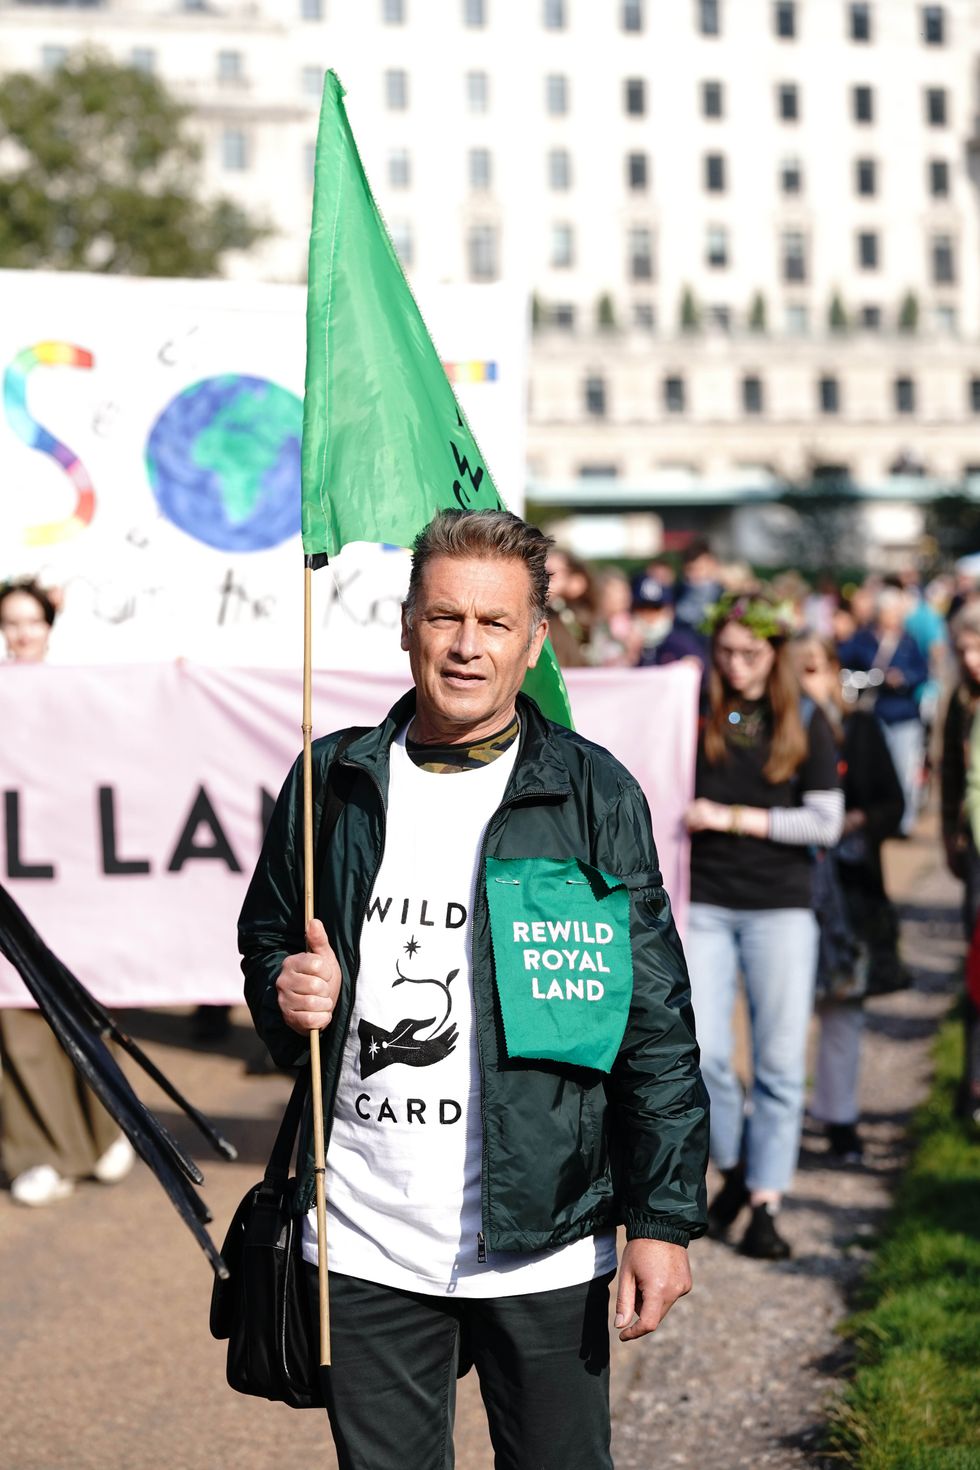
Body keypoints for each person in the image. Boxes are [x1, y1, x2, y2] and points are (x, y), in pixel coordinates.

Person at [239, 509, 708, 1470]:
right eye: (445, 617)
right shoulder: (331, 779)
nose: (465, 646)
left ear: (535, 640)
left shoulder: (592, 794)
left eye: (494, 624)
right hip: (363, 1236)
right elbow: (268, 946)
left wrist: (660, 1220)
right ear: (406, 623)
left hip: (547, 1239)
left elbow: (654, 1024)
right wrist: (286, 993)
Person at [683, 591, 843, 1258]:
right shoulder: (694, 712)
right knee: (706, 1054)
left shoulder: (805, 717)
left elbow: (825, 822)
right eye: (725, 652)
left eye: (750, 653)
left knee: (779, 1063)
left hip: (781, 906)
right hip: (706, 905)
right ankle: (738, 1162)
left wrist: (733, 818)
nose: (737, 664)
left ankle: (766, 1202)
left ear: (775, 652)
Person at [0, 578, 135, 1205]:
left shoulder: (82, 691)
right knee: (14, 1020)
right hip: (14, 880)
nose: (23, 633)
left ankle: (103, 1133)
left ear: (50, 624)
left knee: (77, 1012)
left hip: (75, 882)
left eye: (32, 620)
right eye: (12, 622)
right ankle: (33, 1152)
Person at [793, 633, 904, 1163]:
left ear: (833, 670)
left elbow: (892, 802)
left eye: (812, 668)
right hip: (792, 889)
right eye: (795, 670)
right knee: (787, 1015)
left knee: (844, 1010)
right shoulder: (782, 731)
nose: (804, 681)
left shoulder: (859, 728)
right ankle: (783, 1120)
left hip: (850, 890)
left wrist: (854, 820)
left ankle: (839, 1119)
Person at [839, 586, 929, 836]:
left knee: (904, 769)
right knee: (872, 768)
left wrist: (904, 678)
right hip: (874, 713)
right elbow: (842, 661)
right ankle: (875, 817)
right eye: (890, 612)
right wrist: (871, 678)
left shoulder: (908, 642)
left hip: (903, 714)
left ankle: (901, 822)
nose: (893, 618)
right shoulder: (863, 638)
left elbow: (922, 671)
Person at [940, 603, 980, 1126]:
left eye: (978, 647)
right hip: (975, 848)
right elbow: (952, 772)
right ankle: (972, 1082)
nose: (971, 659)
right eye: (963, 650)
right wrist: (951, 832)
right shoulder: (962, 702)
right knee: (976, 968)